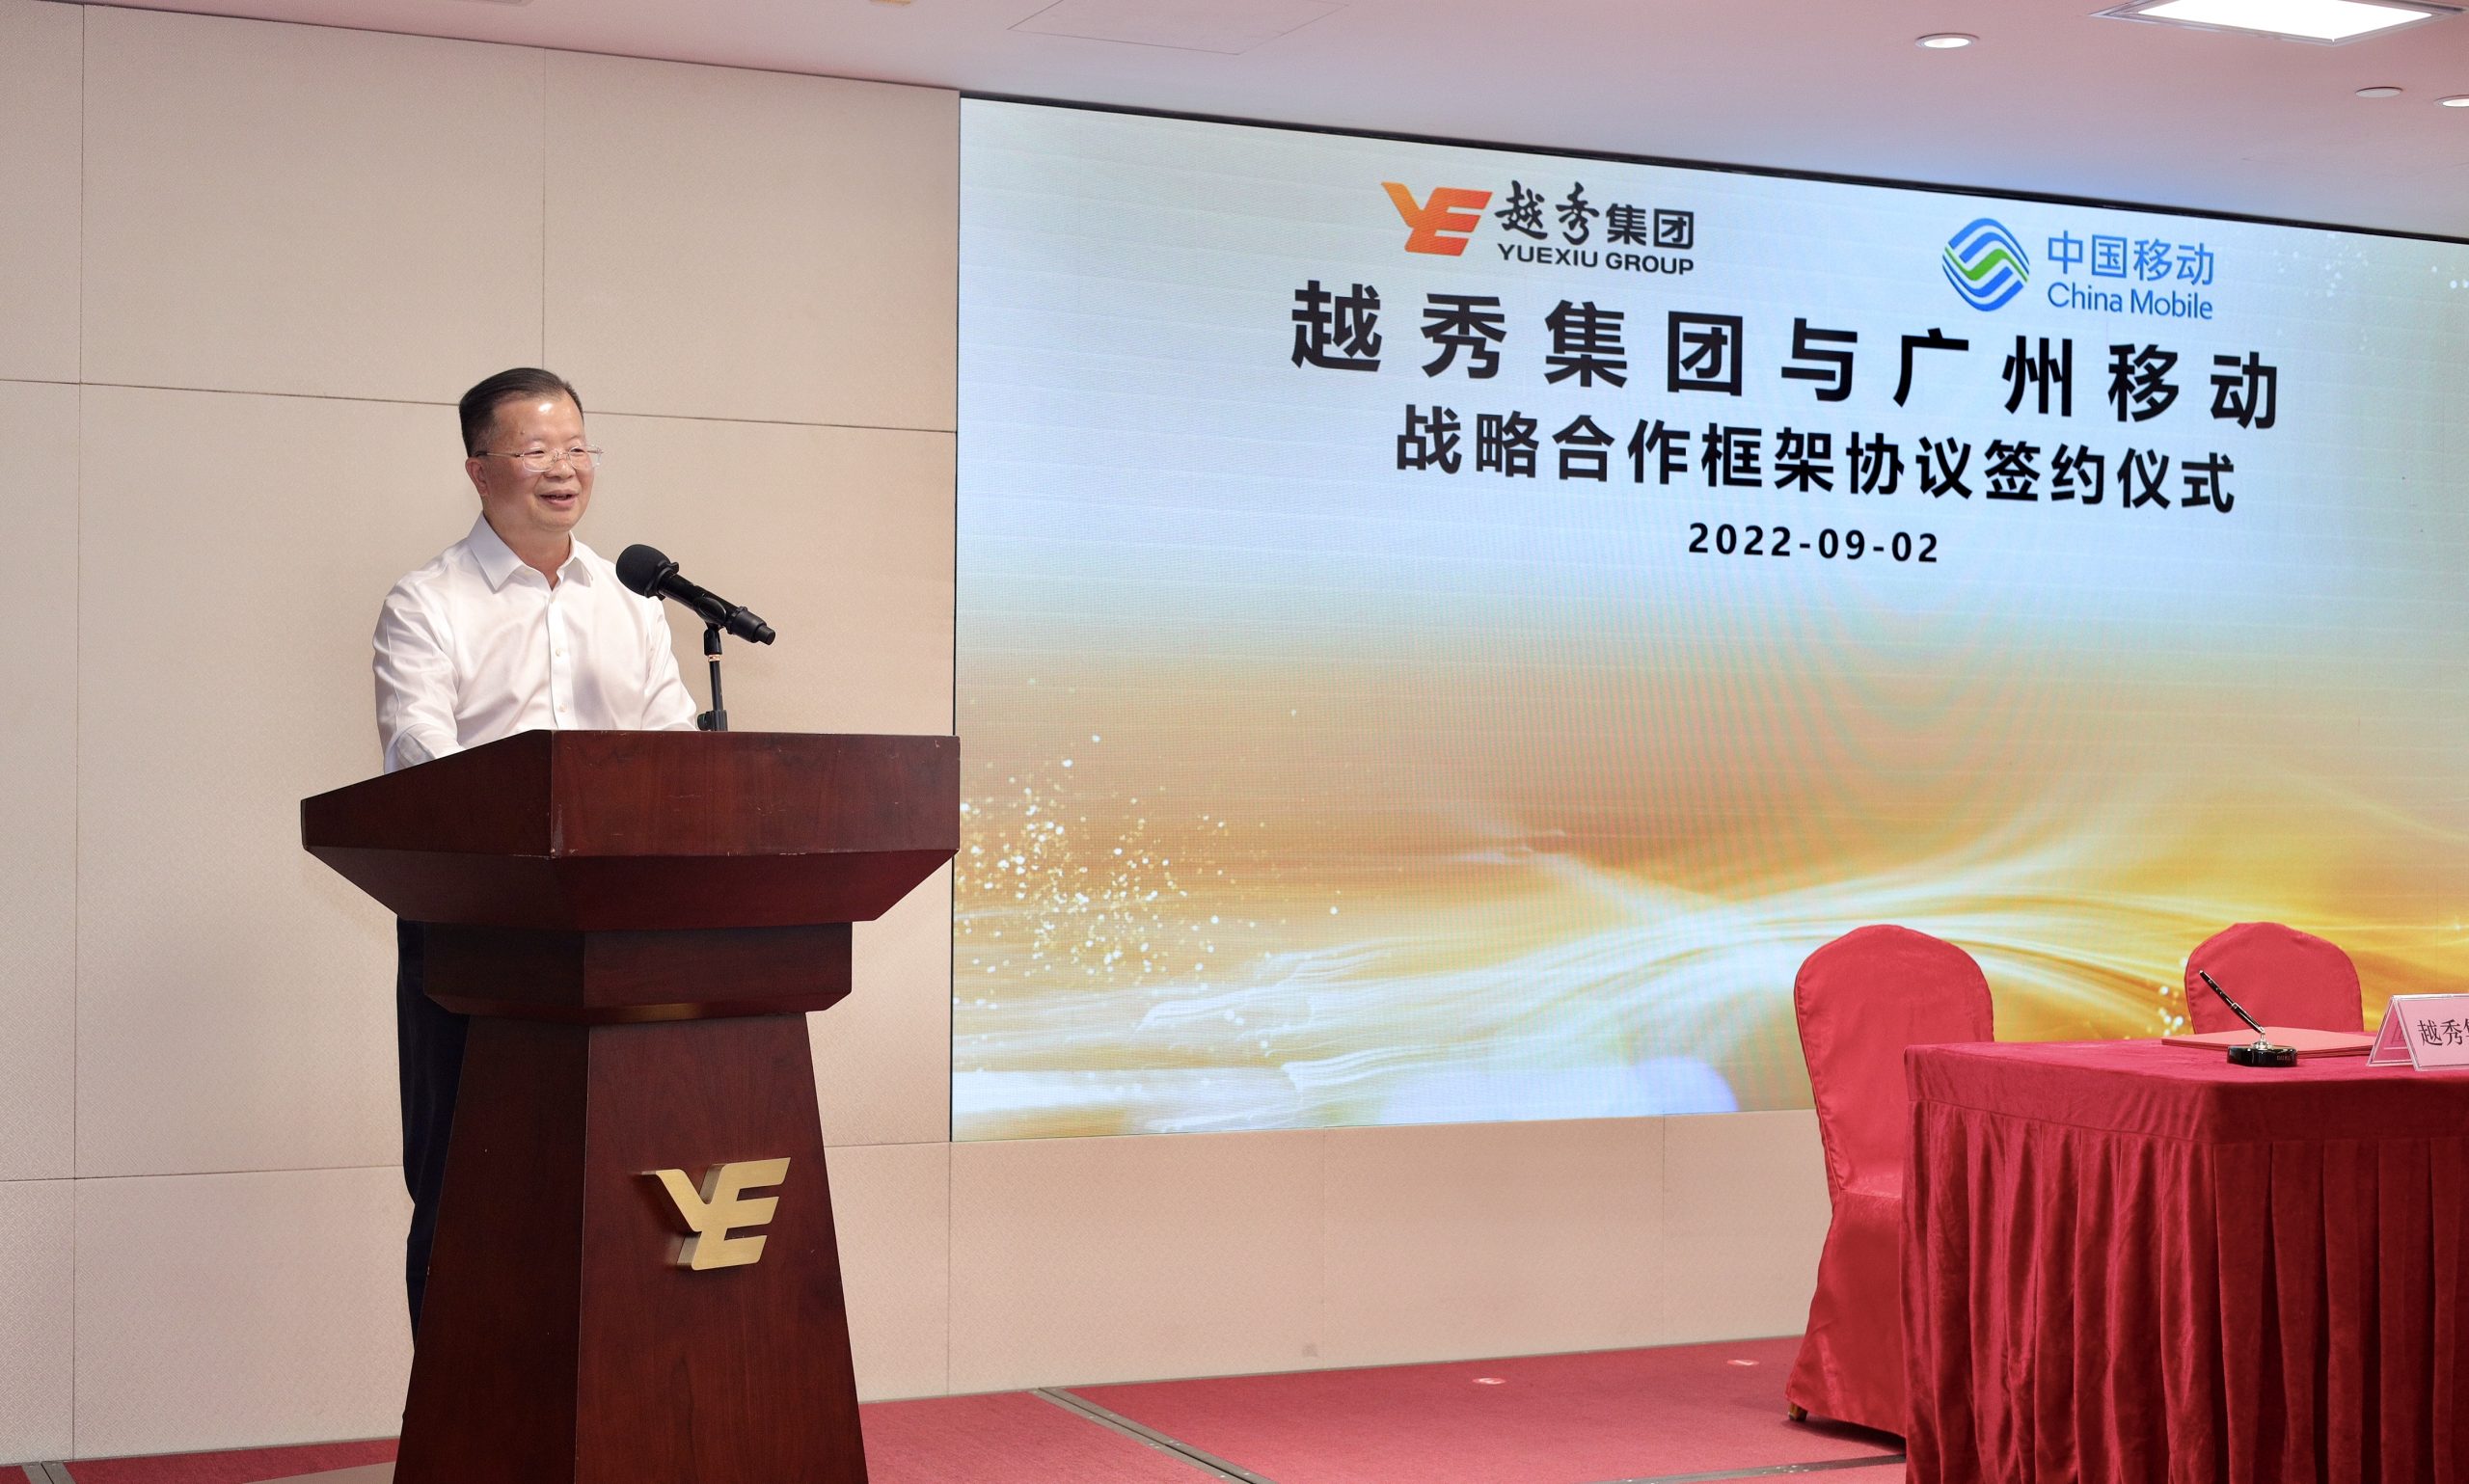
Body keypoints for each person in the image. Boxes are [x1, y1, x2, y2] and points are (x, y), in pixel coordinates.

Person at [372, 367, 697, 1334]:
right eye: (536, 451)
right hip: (480, 939)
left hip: (620, 940)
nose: (564, 469)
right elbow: (422, 764)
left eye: (578, 448)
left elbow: (675, 756)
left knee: (622, 1183)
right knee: (468, 1185)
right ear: (480, 469)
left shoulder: (633, 603)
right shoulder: (428, 603)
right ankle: (455, 1410)